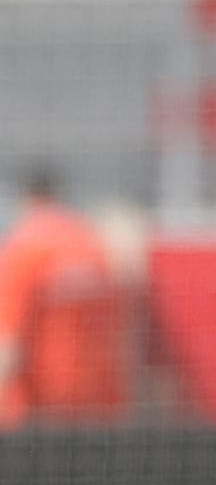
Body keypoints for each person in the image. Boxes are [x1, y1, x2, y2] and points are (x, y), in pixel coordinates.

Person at [0, 166, 126, 427]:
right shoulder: (91, 244)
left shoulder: (24, 249)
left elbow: (8, 344)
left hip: (40, 411)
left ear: (26, 199)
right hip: (99, 406)